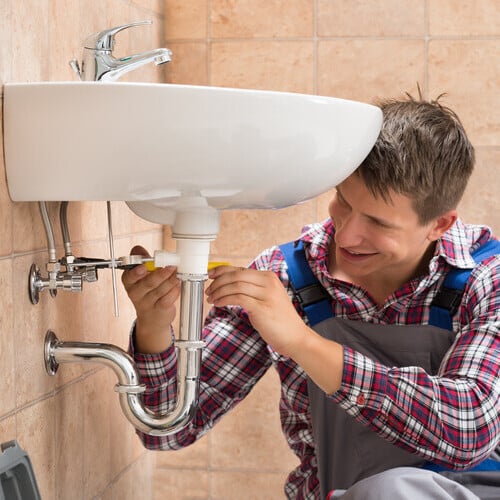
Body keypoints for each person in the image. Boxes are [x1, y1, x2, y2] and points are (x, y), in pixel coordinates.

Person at [122, 94, 500, 499]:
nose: (347, 235)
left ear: (438, 225)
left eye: (377, 222)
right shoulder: (286, 278)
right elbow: (168, 429)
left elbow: (469, 427)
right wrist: (155, 325)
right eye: (344, 202)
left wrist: (302, 343)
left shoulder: (486, 278)